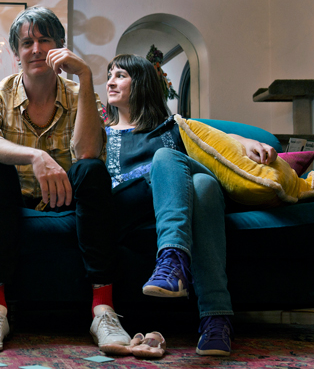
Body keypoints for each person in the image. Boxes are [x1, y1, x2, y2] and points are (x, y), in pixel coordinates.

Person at [0, 6, 129, 353]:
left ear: (60, 47)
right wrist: (35, 156)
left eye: (45, 40)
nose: (36, 49)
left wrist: (85, 77)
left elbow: (88, 152)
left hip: (67, 197)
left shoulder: (80, 94)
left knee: (91, 170)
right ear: (16, 53)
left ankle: (103, 311)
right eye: (27, 43)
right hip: (13, 199)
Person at [104, 53, 277, 356]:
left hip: (181, 202)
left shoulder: (173, 126)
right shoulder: (102, 133)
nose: (110, 82)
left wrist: (248, 143)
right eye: (109, 75)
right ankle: (212, 311)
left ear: (141, 82)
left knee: (202, 182)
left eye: (120, 75)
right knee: (183, 170)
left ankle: (200, 301)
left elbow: (216, 139)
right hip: (131, 203)